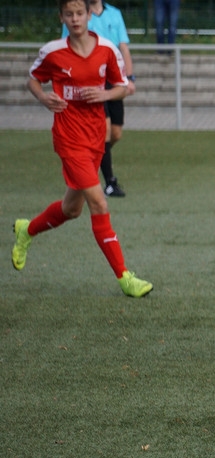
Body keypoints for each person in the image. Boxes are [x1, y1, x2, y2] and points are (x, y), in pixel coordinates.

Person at [11, 0, 152, 298]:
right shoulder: (53, 51)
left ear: (89, 15)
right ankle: (125, 277)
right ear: (61, 17)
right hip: (68, 138)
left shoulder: (107, 50)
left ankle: (27, 230)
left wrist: (104, 95)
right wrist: (44, 98)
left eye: (79, 13)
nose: (75, 19)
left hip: (95, 137)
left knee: (71, 209)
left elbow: (122, 87)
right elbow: (33, 80)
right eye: (69, 14)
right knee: (99, 203)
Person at [62, 0, 135, 198]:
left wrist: (129, 78)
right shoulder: (78, 13)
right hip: (92, 80)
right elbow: (66, 48)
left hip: (113, 78)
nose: (75, 17)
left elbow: (123, 47)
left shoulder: (114, 13)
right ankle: (110, 183)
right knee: (105, 131)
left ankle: (87, 162)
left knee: (116, 133)